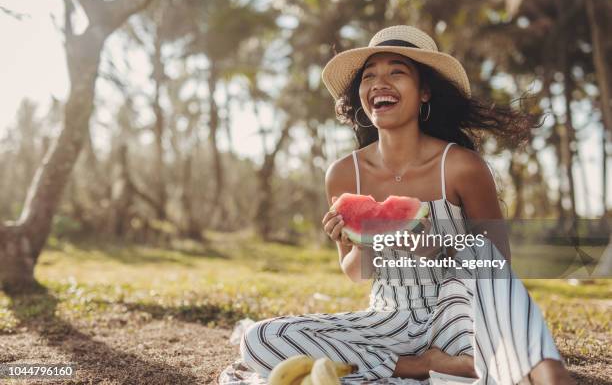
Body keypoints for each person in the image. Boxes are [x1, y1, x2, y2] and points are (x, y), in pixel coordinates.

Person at [239, 26, 574, 384]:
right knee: (259, 339)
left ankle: (547, 373)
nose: (379, 83)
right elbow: (355, 272)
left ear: (424, 91)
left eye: (396, 72)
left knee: (482, 260)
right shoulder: (342, 174)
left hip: (457, 313)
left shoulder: (461, 166)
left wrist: (439, 246)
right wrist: (351, 242)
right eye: (369, 77)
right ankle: (419, 367)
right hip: (387, 320)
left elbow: (497, 261)